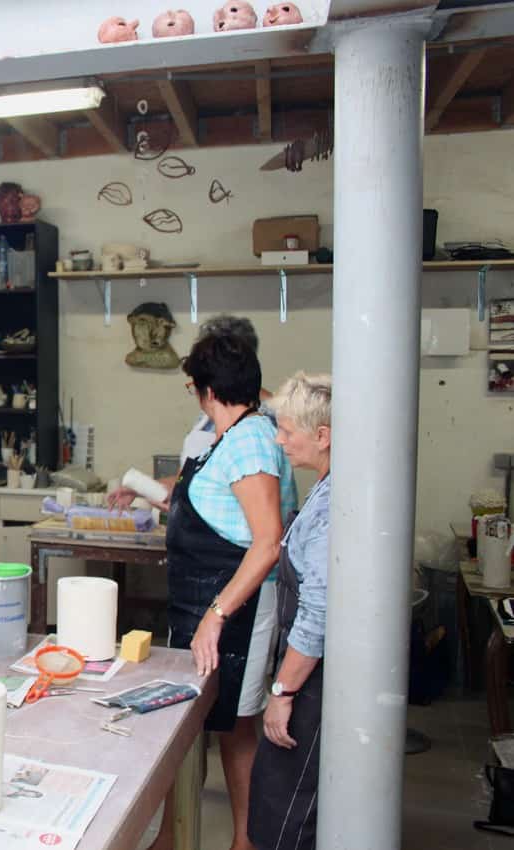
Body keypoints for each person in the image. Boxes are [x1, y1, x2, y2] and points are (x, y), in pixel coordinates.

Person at [124, 332, 298, 850]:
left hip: (234, 608)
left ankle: (245, 841)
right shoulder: (229, 437)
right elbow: (210, 512)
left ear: (202, 389)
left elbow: (266, 543)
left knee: (236, 726)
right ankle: (172, 837)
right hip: (203, 601)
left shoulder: (250, 440)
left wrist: (217, 613)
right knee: (195, 725)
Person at [249, 372, 332, 850]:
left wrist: (283, 691)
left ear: (321, 437)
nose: (279, 440)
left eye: (287, 431)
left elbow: (317, 615)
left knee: (286, 812)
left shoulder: (329, 510)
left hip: (312, 685)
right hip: (308, 679)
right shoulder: (328, 483)